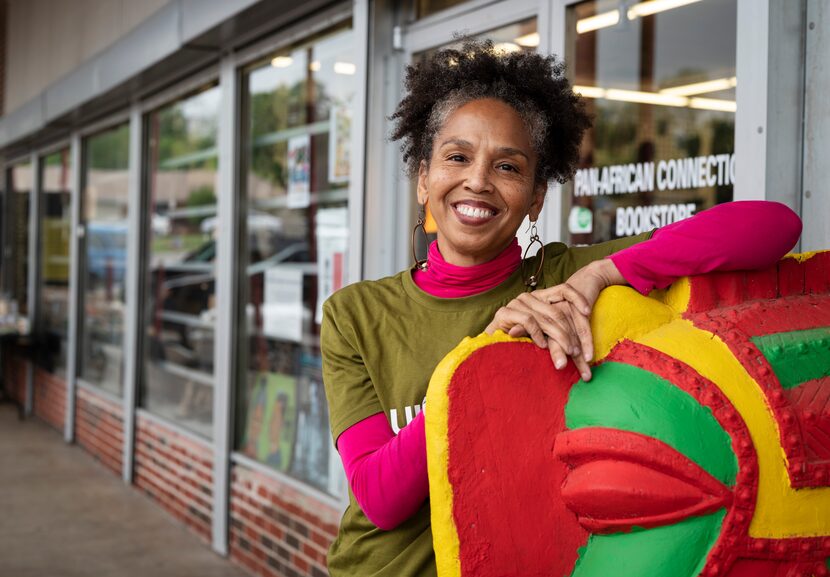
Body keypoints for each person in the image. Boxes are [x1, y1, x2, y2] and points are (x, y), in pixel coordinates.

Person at [320, 39, 802, 577]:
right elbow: (381, 499)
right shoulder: (354, 314)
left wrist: (603, 273)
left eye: (508, 166)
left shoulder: (568, 280)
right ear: (424, 179)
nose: (477, 180)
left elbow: (774, 225)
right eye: (456, 157)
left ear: (536, 197)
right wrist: (486, 348)